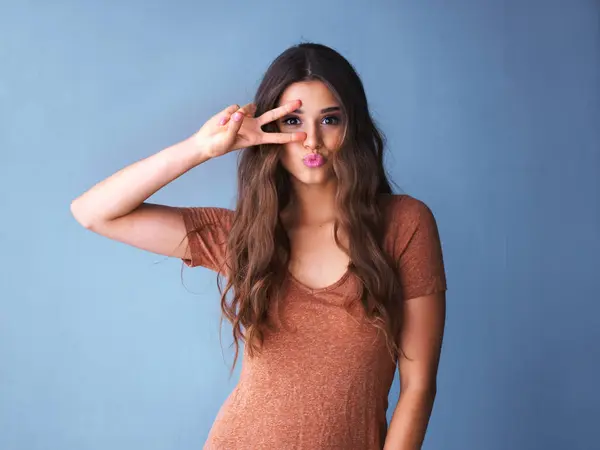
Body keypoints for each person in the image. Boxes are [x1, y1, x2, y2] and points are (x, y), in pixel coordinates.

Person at [71, 42, 447, 450]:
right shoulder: (246, 236)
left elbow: (418, 386)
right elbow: (94, 212)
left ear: (352, 126)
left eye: (331, 119)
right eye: (293, 121)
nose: (312, 140)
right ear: (270, 130)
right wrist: (202, 148)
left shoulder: (404, 224)